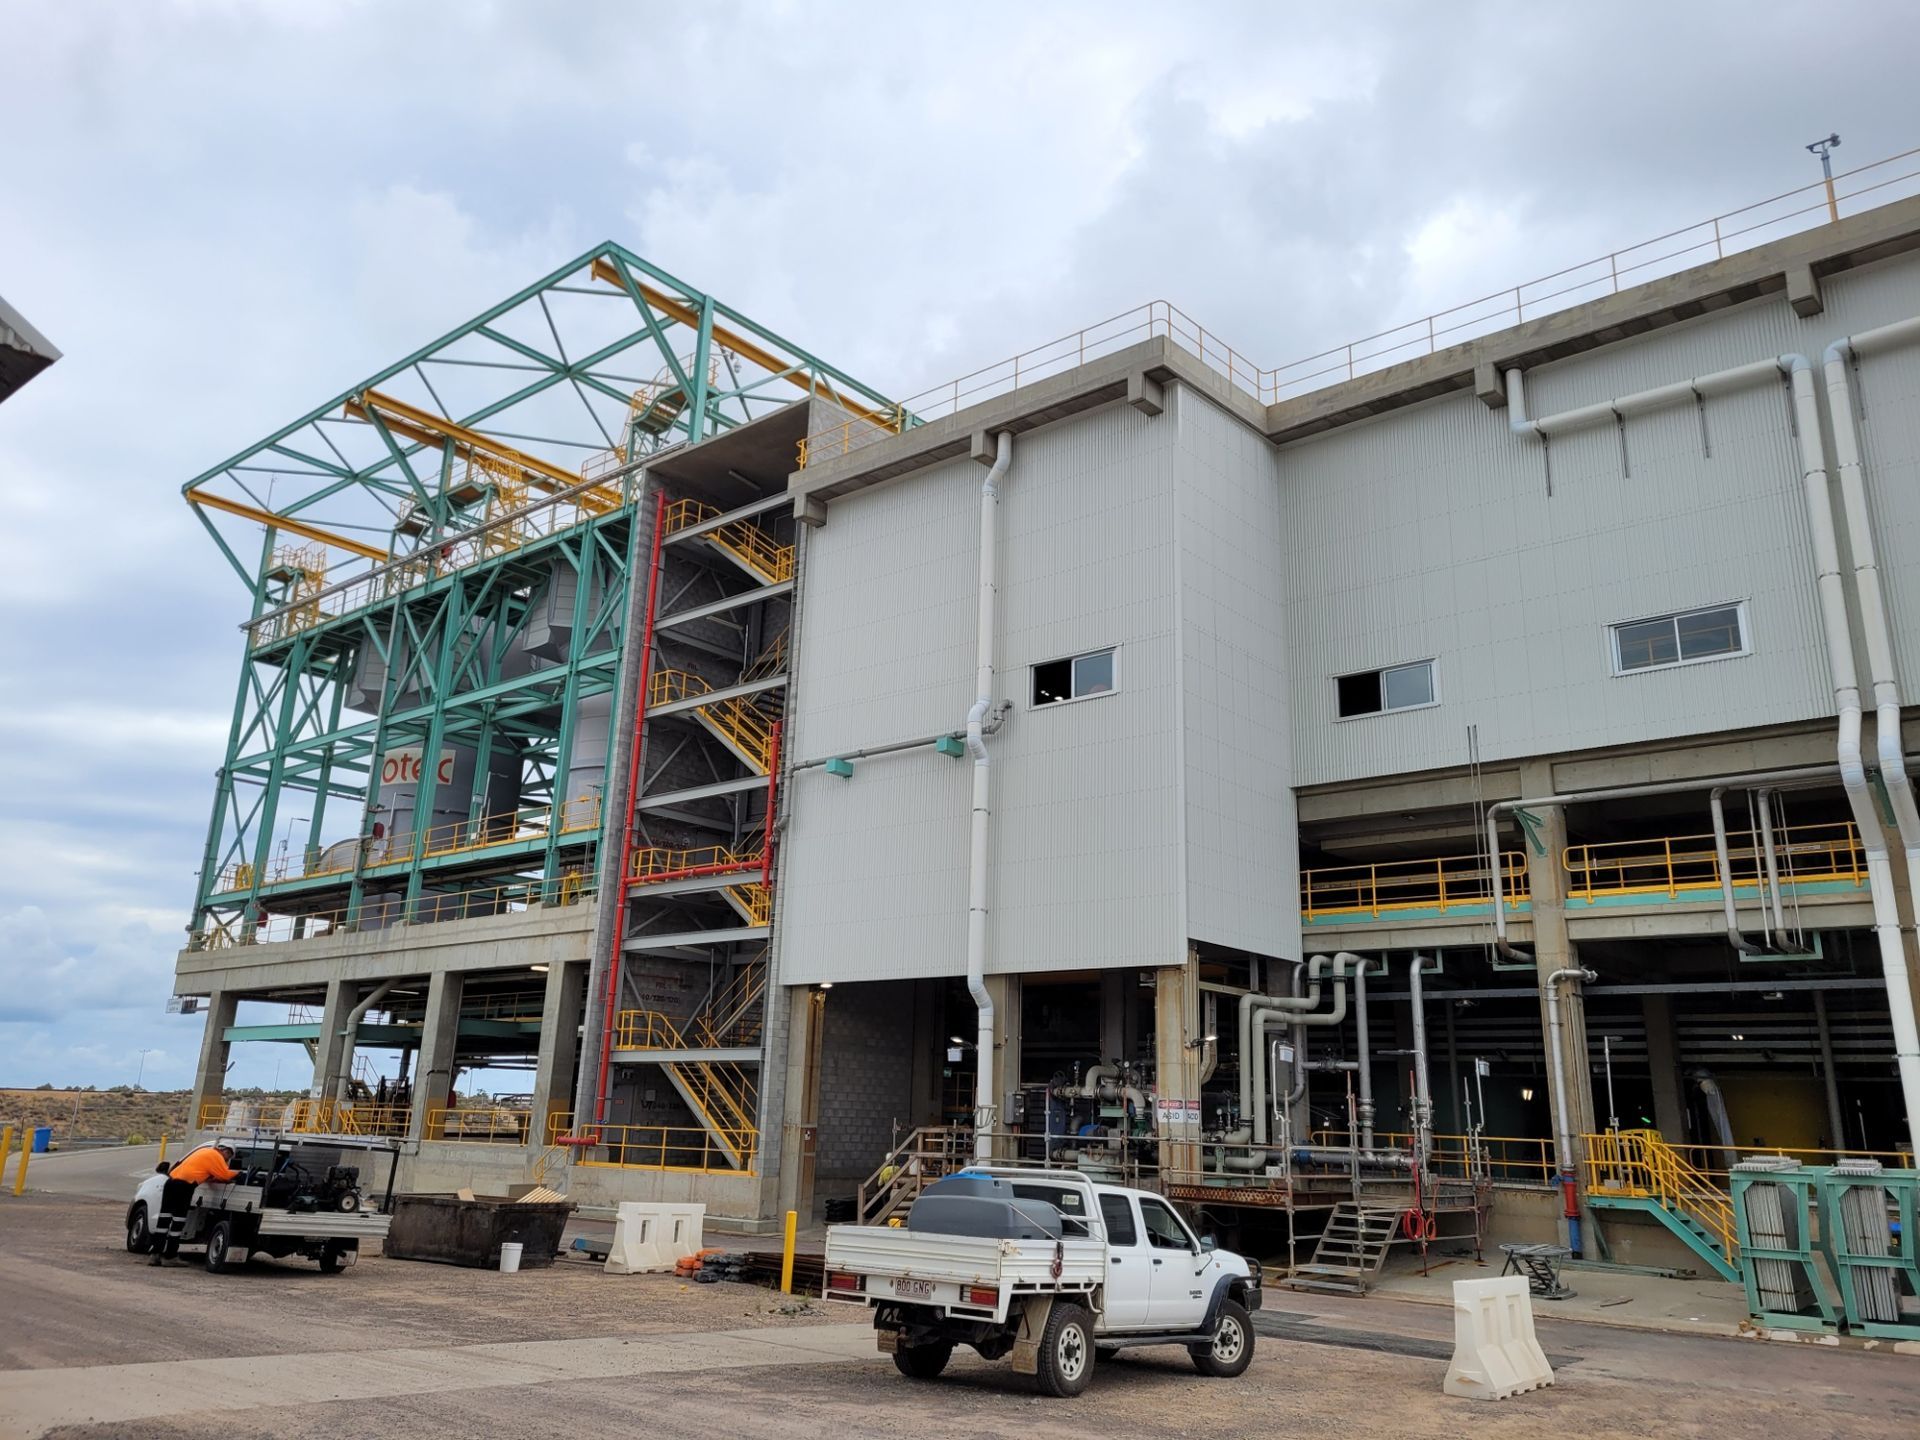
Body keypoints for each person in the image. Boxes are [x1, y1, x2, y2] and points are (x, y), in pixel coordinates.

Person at [150, 1141, 241, 1266]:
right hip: (184, 1187)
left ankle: (155, 1255)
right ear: (227, 1151)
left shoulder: (204, 1151)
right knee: (178, 1221)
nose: (227, 1160)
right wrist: (239, 1173)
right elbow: (225, 1175)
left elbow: (207, 1172)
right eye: (228, 1157)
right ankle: (170, 1257)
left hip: (170, 1183)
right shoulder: (216, 1156)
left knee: (164, 1220)